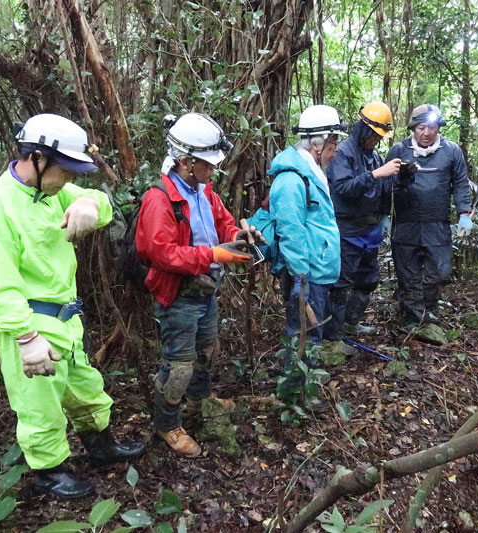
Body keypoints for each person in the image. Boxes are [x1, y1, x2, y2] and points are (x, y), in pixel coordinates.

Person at [0, 114, 145, 500]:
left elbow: (104, 206)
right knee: (40, 406)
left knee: (85, 389)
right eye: (65, 170)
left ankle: (101, 447)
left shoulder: (51, 192)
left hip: (67, 319)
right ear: (38, 158)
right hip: (29, 325)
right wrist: (26, 338)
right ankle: (50, 472)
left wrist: (90, 204)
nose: (69, 179)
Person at [135, 112, 260, 458]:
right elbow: (161, 253)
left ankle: (200, 401)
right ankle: (167, 424)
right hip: (178, 295)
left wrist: (240, 235)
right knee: (178, 363)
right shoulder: (159, 199)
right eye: (208, 164)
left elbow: (222, 222)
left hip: (205, 289)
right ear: (187, 162)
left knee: (207, 348)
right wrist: (214, 255)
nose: (213, 170)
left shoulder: (204, 192)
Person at [387, 104, 472, 331]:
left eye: (432, 127)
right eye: (421, 127)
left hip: (437, 222)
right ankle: (413, 318)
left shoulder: (451, 151)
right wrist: (382, 214)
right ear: (413, 129)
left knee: (439, 271)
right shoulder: (399, 150)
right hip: (406, 222)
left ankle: (429, 310)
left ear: (438, 128)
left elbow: (461, 183)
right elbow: (386, 183)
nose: (426, 133)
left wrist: (464, 213)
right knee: (408, 271)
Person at [325, 101, 402, 340]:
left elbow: (383, 189)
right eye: (374, 136)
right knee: (340, 284)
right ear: (364, 129)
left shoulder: (375, 157)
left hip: (371, 229)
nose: (376, 141)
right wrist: (376, 174)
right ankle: (333, 336)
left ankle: (351, 323)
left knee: (368, 280)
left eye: (379, 137)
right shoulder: (343, 153)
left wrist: (403, 178)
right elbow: (342, 188)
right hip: (346, 230)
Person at [269, 105, 344, 346]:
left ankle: (306, 380)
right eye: (333, 145)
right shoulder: (292, 179)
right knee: (303, 337)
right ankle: (297, 383)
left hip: (317, 271)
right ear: (316, 144)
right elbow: (291, 231)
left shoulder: (312, 173)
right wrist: (301, 279)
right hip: (306, 275)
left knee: (312, 335)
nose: (335, 152)